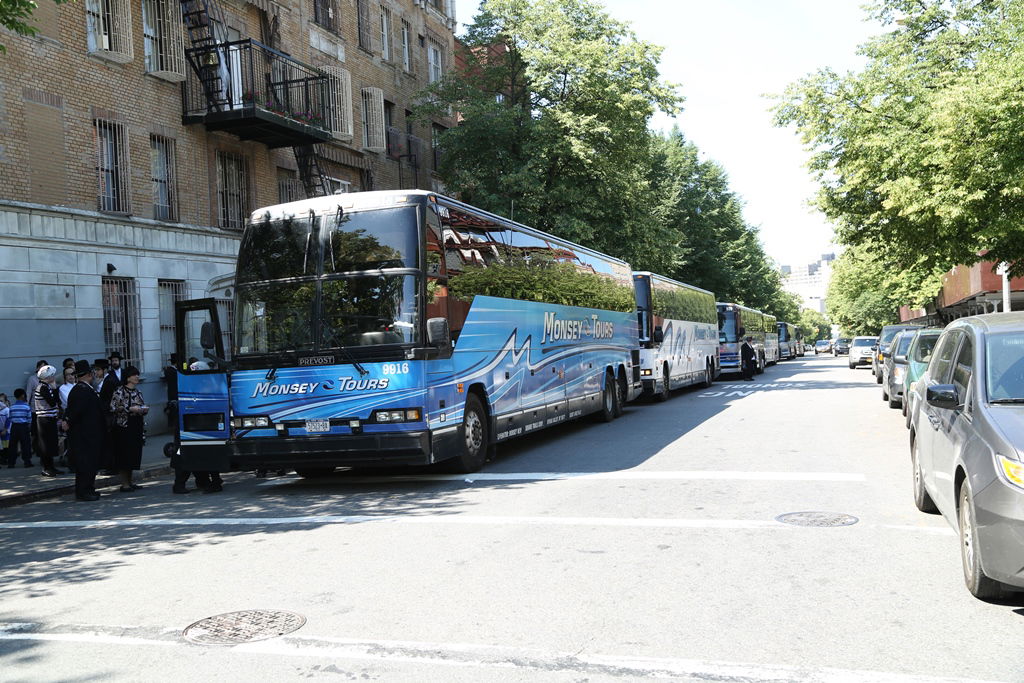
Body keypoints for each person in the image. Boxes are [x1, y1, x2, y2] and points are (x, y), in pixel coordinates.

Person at [64, 360, 105, 501]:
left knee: (91, 463)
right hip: (84, 434)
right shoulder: (80, 390)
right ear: (88, 375)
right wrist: (67, 421)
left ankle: (89, 488)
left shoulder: (86, 389)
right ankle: (83, 491)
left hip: (90, 433)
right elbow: (75, 412)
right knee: (85, 464)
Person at [109, 366, 147, 492]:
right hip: (123, 426)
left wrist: (143, 410)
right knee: (124, 454)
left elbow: (142, 405)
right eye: (134, 375)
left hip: (136, 425)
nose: (137, 377)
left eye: (137, 374)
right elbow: (113, 407)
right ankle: (125, 483)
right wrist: (129, 409)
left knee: (133, 454)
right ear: (128, 377)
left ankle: (130, 482)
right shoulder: (119, 391)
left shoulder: (138, 392)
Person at [32, 365, 64, 477]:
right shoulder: (42, 387)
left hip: (49, 418)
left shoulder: (46, 386)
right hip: (44, 419)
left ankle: (51, 467)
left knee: (50, 443)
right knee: (46, 444)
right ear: (48, 376)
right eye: (52, 375)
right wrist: (55, 389)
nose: (54, 377)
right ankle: (46, 468)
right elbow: (52, 402)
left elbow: (56, 401)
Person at [6, 389, 33, 468]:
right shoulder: (26, 407)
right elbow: (29, 419)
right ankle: (27, 462)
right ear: (23, 395)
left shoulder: (12, 407)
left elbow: (10, 418)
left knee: (12, 445)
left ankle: (11, 463)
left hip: (14, 427)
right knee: (25, 444)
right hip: (24, 426)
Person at [58, 367, 77, 471]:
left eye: (72, 374)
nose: (71, 376)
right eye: (68, 374)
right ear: (65, 377)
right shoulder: (62, 388)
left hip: (79, 415)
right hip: (69, 414)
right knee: (71, 441)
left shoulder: (78, 385)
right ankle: (72, 464)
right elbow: (68, 401)